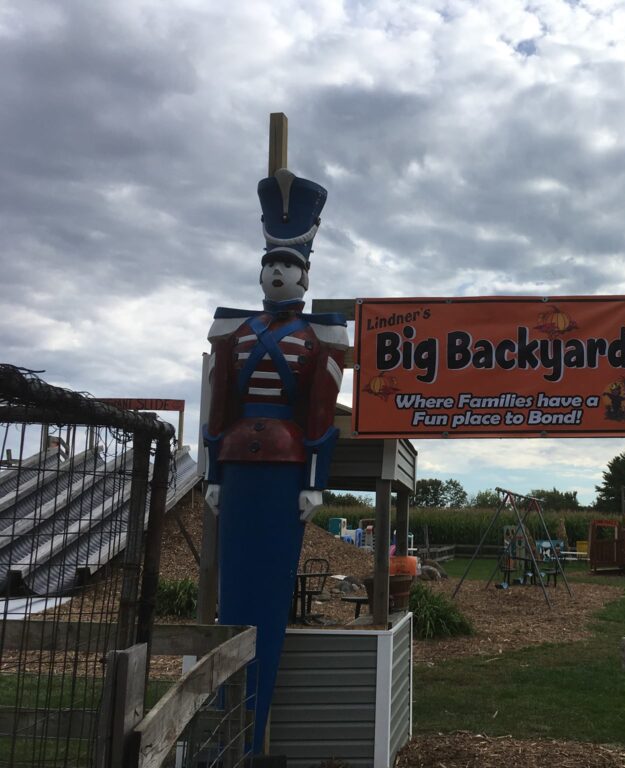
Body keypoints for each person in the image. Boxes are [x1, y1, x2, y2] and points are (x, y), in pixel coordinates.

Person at [202, 168, 348, 751]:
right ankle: (228, 727)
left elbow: (320, 411)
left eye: (289, 265)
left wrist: (314, 479)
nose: (279, 272)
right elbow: (219, 404)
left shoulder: (319, 337)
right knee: (235, 593)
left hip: (287, 464)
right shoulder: (234, 333)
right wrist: (213, 471)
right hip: (238, 462)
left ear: (304, 276)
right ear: (262, 271)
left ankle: (247, 729)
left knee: (267, 587)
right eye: (272, 265)